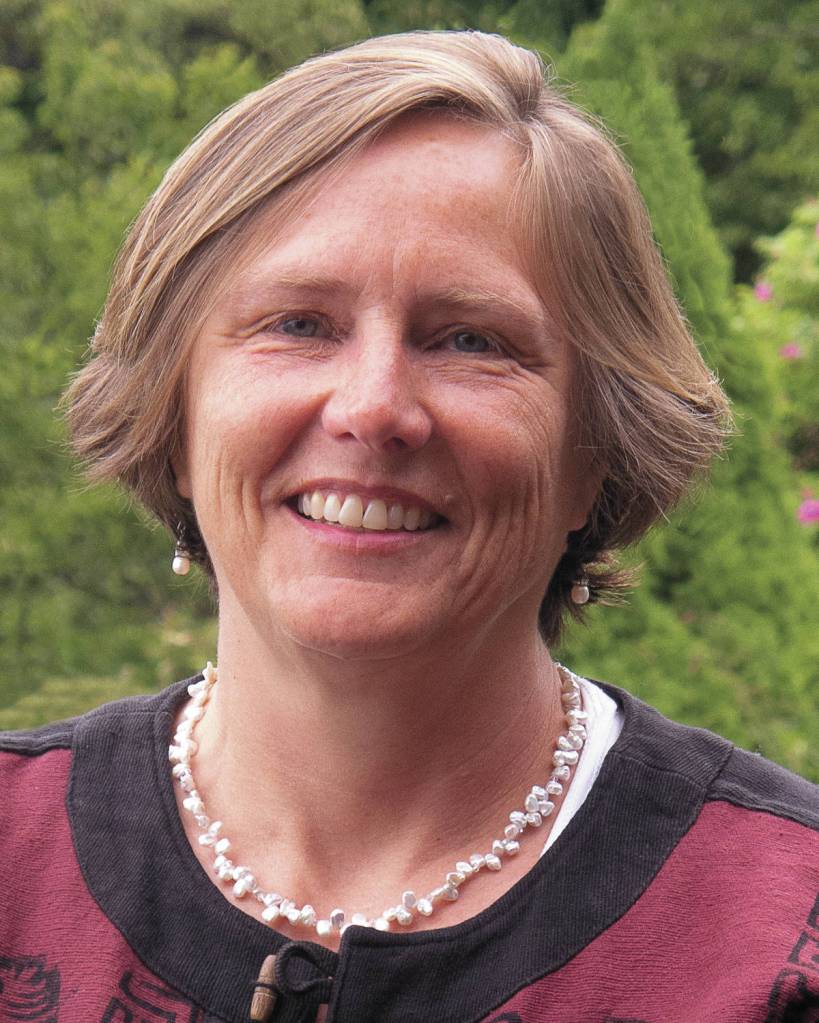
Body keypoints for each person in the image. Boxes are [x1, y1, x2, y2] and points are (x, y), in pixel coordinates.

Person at [1, 29, 817, 1023]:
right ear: (173, 418)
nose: (374, 408)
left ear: (595, 452)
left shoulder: (781, 935)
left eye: (471, 339)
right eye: (298, 323)